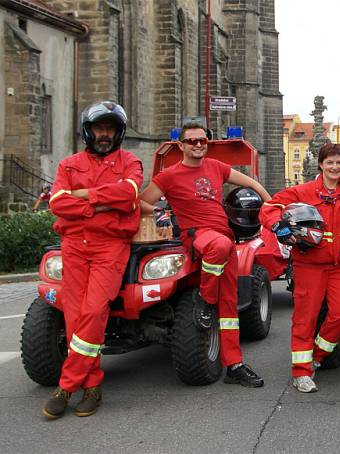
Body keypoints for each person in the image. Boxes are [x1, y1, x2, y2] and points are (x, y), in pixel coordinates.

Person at [139, 122, 269, 388]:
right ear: (181, 145)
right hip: (197, 235)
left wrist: (270, 201)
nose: (198, 145)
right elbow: (141, 201)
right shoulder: (169, 176)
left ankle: (234, 365)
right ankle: (206, 301)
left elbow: (249, 182)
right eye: (192, 141)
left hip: (225, 238)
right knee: (219, 247)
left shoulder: (216, 167)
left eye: (202, 141)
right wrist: (159, 213)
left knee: (230, 308)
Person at [43, 101, 143, 419]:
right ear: (88, 131)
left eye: (110, 129)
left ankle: (66, 386)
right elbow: (58, 203)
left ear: (119, 133)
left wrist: (84, 196)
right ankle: (93, 387)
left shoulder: (131, 162)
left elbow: (128, 195)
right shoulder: (68, 164)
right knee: (74, 316)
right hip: (73, 246)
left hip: (110, 246)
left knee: (94, 310)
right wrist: (100, 203)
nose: (105, 135)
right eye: (100, 128)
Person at [260, 143, 340, 393]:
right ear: (321, 164)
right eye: (330, 162)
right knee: (305, 318)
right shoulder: (303, 191)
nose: (334, 167)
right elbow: (269, 209)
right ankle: (301, 372)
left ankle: (317, 356)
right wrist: (279, 227)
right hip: (309, 264)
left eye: (339, 163)